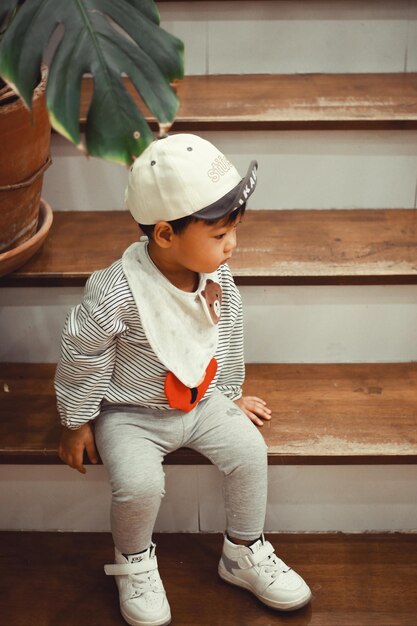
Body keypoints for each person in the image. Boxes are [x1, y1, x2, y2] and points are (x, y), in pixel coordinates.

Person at [55, 133, 311, 626]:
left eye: (235, 230)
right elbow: (82, 353)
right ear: (166, 235)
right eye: (219, 236)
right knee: (139, 484)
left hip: (200, 400)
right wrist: (77, 420)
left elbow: (225, 333)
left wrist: (228, 395)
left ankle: (242, 552)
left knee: (250, 454)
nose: (232, 245)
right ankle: (134, 562)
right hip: (130, 412)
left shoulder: (218, 278)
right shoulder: (116, 292)